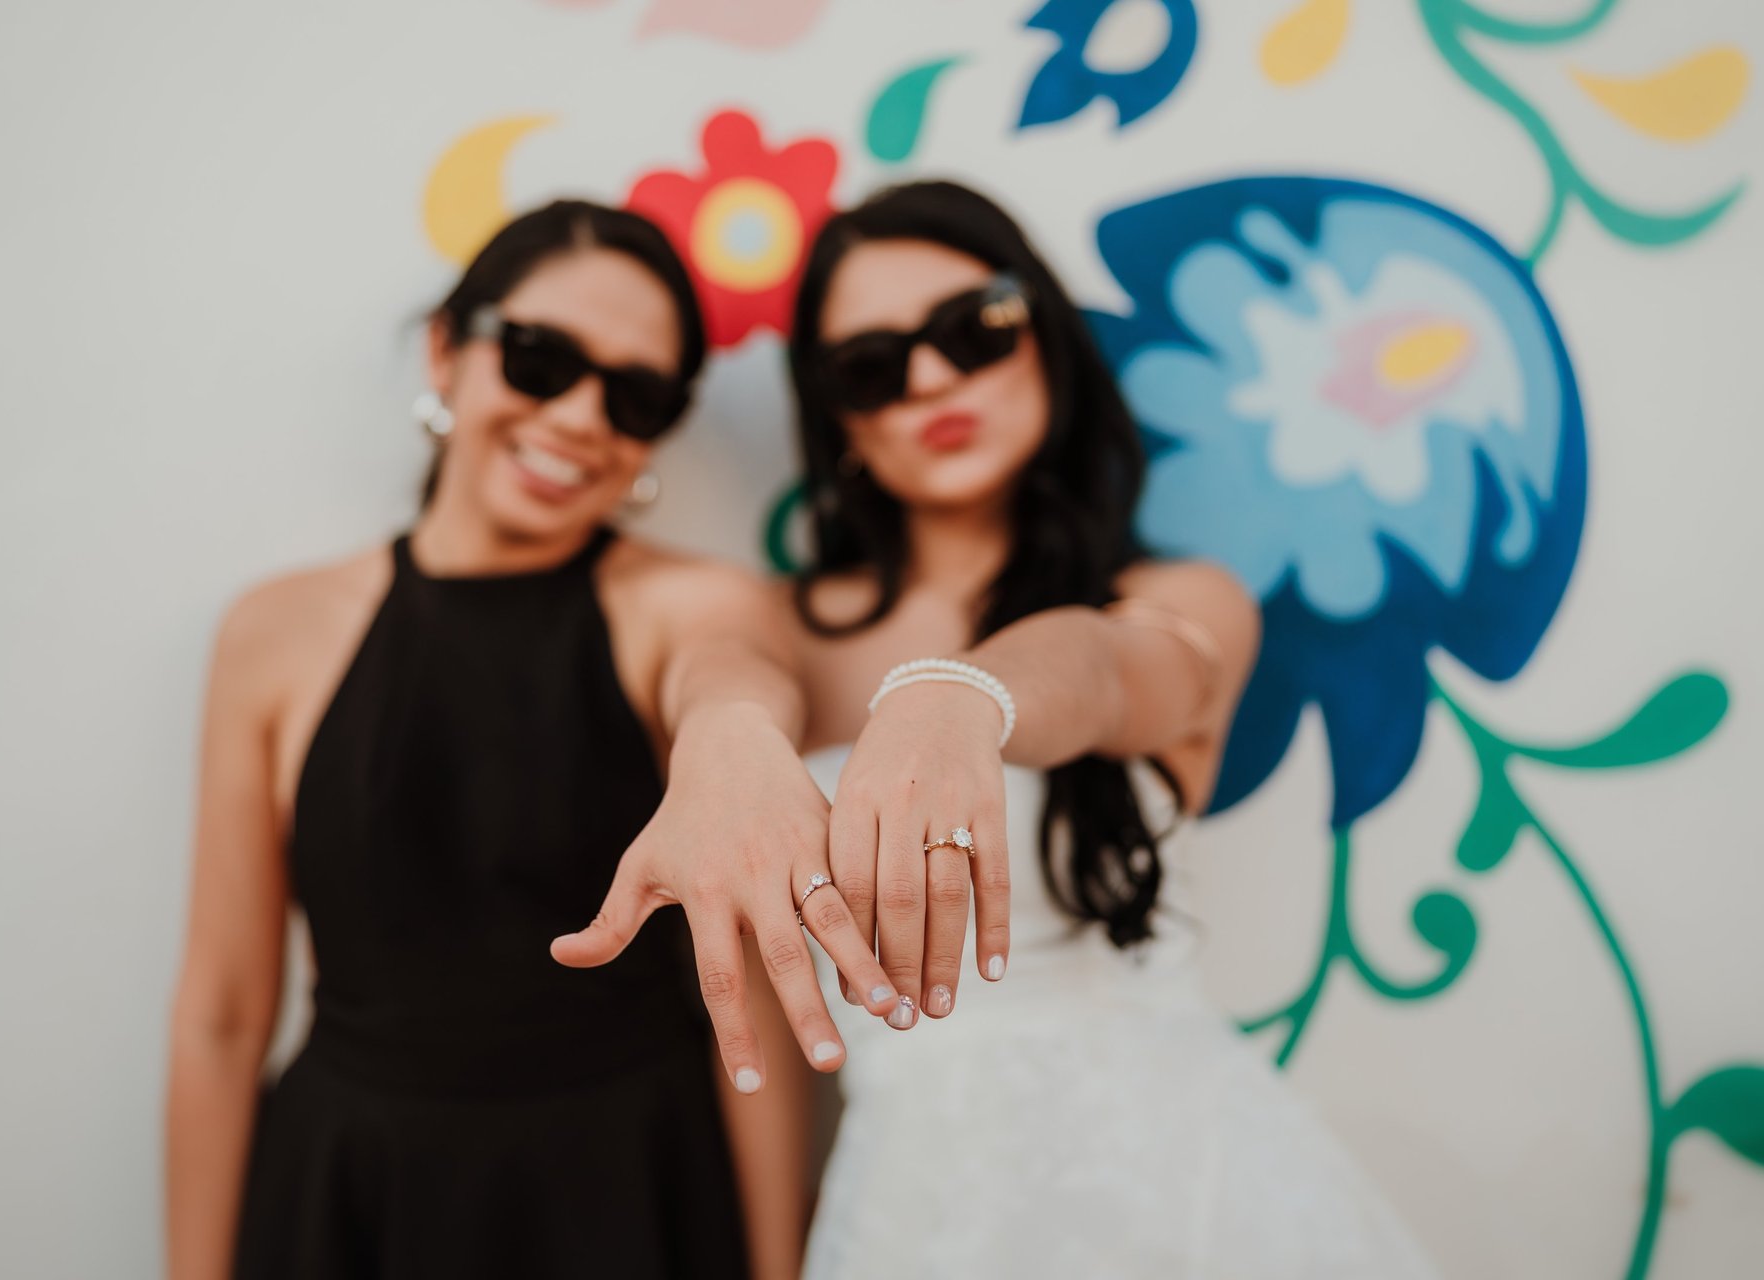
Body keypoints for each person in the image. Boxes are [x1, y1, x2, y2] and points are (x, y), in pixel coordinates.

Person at [564, 181, 1437, 1277]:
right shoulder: (776, 630)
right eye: (873, 366)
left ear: (1047, 343)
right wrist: (722, 728)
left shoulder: (1184, 596)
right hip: (912, 1211)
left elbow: (1112, 670)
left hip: (1196, 1197)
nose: (931, 378)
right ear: (841, 420)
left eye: (971, 329)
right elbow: (769, 1023)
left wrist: (962, 695)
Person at [163, 199, 896, 1280]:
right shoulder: (273, 632)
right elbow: (224, 1014)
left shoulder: (686, 603)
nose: (580, 416)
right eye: (542, 357)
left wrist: (736, 728)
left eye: (636, 393)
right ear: (448, 351)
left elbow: (731, 680)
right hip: (352, 1191)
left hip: (627, 1186)